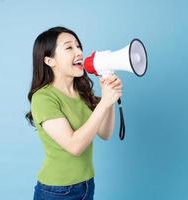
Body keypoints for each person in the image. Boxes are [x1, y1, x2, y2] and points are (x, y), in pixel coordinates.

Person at [25, 26, 123, 200]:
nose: (79, 52)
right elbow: (74, 146)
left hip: (86, 184)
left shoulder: (83, 91)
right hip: (57, 191)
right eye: (69, 47)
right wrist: (104, 103)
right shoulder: (43, 98)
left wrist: (111, 100)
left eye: (79, 46)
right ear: (49, 61)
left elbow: (105, 133)